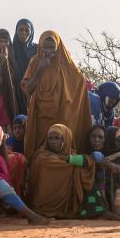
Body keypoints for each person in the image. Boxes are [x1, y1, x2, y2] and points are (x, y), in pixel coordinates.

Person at [21, 31, 92, 160]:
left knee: (63, 153)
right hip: (41, 116)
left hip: (64, 116)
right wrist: (40, 69)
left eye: (52, 47)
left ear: (58, 46)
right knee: (40, 154)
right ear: (40, 46)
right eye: (45, 47)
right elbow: (27, 89)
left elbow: (80, 84)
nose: (49, 51)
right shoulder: (35, 61)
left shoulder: (67, 63)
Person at [27, 123, 102, 219]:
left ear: (65, 139)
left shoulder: (71, 154)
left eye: (57, 138)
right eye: (50, 138)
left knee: (79, 169)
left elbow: (88, 161)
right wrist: (69, 162)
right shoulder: (41, 156)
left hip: (65, 203)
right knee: (76, 167)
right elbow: (66, 164)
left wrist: (70, 160)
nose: (53, 142)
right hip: (43, 204)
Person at [11, 19, 37, 114]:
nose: (23, 33)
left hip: (33, 88)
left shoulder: (36, 49)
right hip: (15, 90)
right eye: (21, 30)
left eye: (27, 30)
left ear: (31, 32)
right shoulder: (11, 49)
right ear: (16, 31)